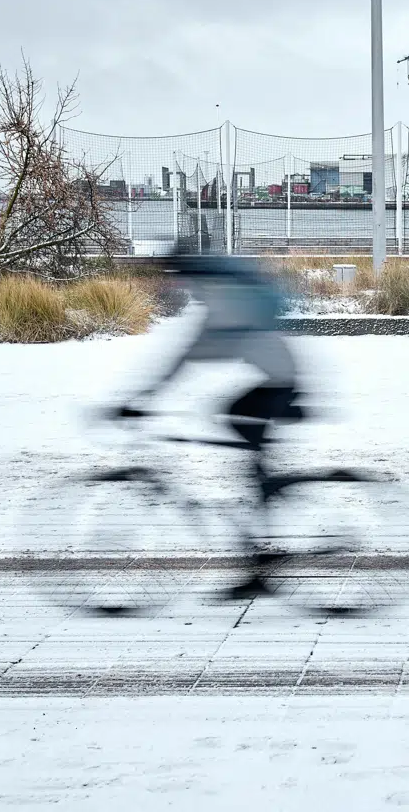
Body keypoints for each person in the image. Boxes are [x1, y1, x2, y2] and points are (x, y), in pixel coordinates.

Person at [116, 253, 302, 597]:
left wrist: (141, 400)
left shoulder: (222, 303)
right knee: (234, 431)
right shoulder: (225, 297)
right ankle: (264, 511)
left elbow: (186, 357)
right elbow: (194, 353)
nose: (174, 284)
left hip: (279, 383)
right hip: (279, 378)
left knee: (238, 438)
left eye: (175, 277)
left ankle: (263, 556)